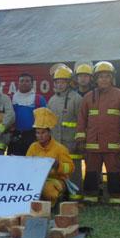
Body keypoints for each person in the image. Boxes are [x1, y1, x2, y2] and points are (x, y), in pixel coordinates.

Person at [75, 61, 120, 205]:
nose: (104, 79)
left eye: (107, 76)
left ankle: (116, 199)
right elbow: (82, 119)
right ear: (96, 79)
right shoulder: (88, 97)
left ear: (112, 78)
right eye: (101, 77)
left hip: (113, 145)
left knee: (114, 173)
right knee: (91, 173)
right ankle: (90, 197)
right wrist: (81, 139)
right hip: (92, 145)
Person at [47, 65, 83, 200]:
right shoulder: (52, 100)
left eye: (63, 82)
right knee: (58, 171)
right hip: (56, 143)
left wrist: (79, 140)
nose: (60, 85)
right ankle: (61, 196)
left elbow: (82, 121)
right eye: (57, 82)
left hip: (71, 142)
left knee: (74, 170)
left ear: (69, 83)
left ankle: (76, 197)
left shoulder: (76, 98)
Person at [26, 108, 75, 204]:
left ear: (49, 133)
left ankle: (53, 203)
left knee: (48, 190)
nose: (40, 136)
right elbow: (26, 165)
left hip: (57, 180)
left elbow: (71, 168)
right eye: (38, 133)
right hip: (37, 179)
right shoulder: (33, 147)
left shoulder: (60, 148)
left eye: (43, 133)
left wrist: (58, 165)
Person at [10, 72, 46, 156]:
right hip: (16, 137)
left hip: (33, 137)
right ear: (18, 83)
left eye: (27, 81)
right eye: (21, 81)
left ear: (32, 83)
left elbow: (44, 121)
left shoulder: (39, 99)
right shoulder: (11, 99)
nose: (24, 83)